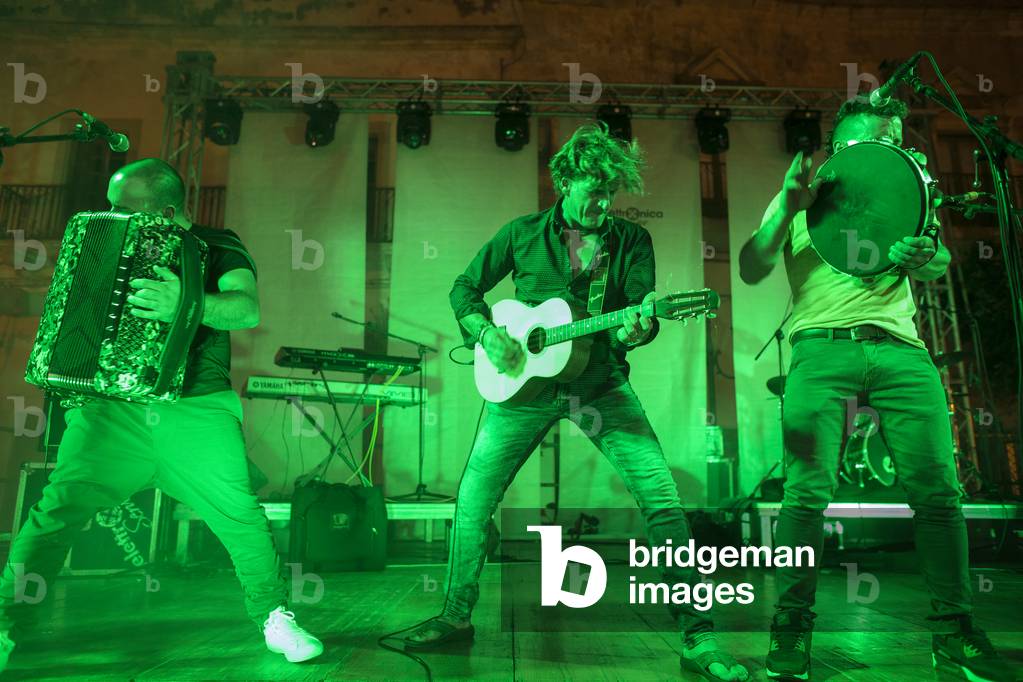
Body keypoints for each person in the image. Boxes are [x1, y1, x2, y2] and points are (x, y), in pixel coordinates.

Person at [396, 123, 748, 682]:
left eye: (610, 192)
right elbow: (464, 288)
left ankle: (698, 634)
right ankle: (456, 615)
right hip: (522, 388)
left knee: (662, 500)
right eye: (591, 190)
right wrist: (486, 334)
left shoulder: (632, 241)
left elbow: (637, 317)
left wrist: (636, 330)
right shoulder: (521, 233)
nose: (601, 203)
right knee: (472, 500)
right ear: (564, 181)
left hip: (601, 382)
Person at [0, 159, 323, 672]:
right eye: (110, 204)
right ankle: (6, 624)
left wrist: (186, 302)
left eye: (125, 208)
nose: (112, 215)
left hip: (195, 408)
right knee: (56, 512)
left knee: (240, 517)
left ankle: (274, 618)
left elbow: (246, 309)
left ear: (168, 210)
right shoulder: (102, 244)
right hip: (113, 411)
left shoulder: (218, 244)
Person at [739, 98, 1018, 682]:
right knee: (804, 496)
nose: (893, 147)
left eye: (896, 137)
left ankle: (954, 634)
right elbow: (751, 265)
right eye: (878, 139)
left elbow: (936, 258)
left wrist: (925, 254)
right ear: (843, 148)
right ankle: (791, 627)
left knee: (940, 493)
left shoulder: (908, 189)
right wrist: (784, 211)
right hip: (821, 347)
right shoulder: (804, 196)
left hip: (901, 349)